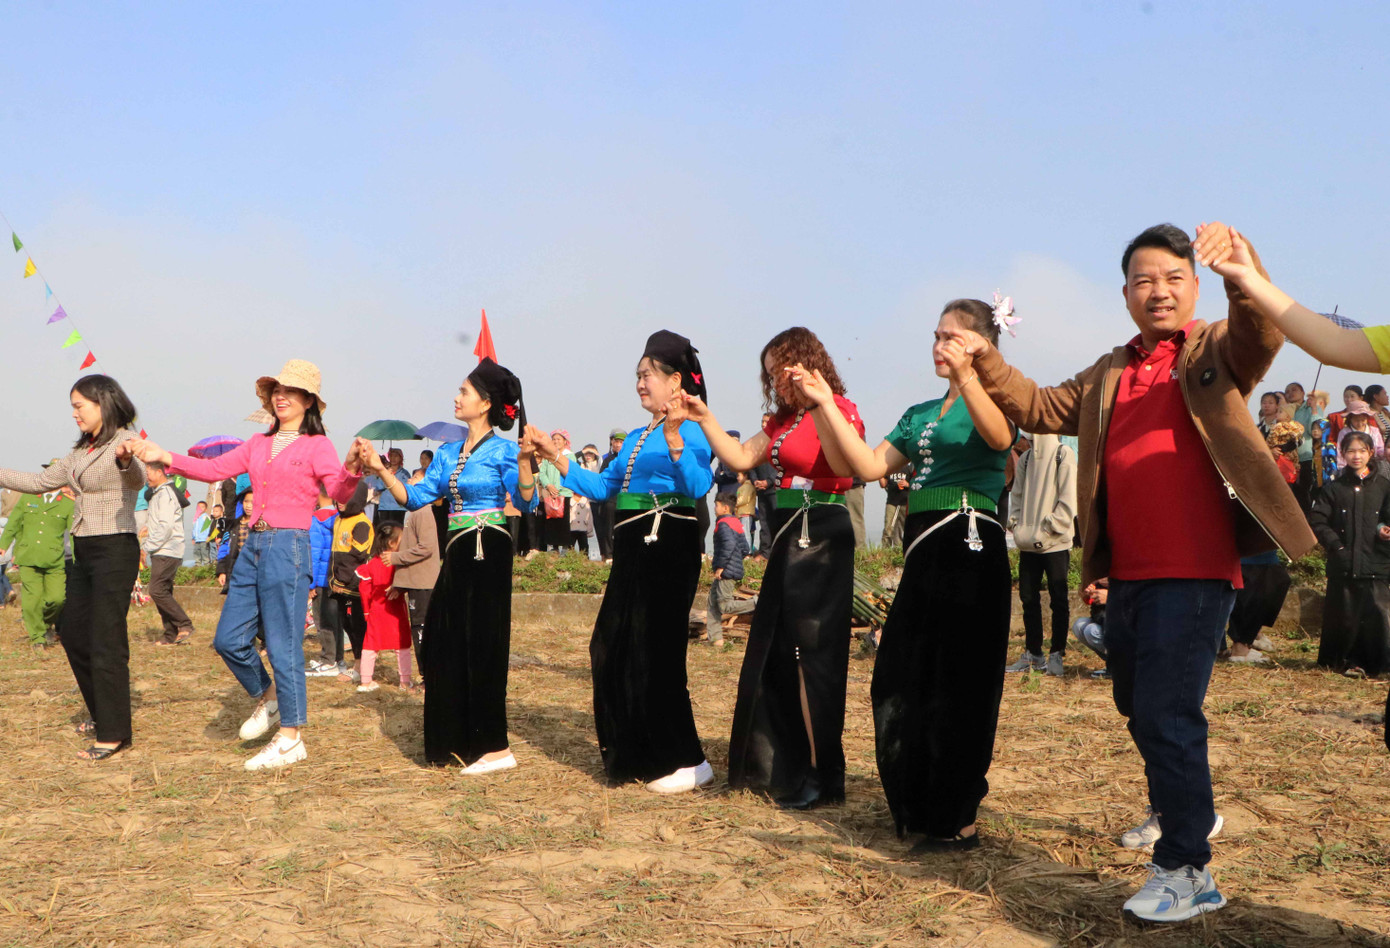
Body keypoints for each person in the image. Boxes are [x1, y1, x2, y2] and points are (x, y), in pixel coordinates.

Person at [950, 223, 1316, 922]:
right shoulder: (1109, 372)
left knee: (1167, 712)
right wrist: (984, 359)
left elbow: (1261, 339)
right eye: (1145, 280)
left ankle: (1188, 869)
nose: (1159, 291)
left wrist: (1244, 277)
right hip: (1130, 575)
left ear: (1195, 288)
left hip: (1197, 571)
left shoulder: (1212, 347)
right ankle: (1181, 810)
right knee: (1138, 707)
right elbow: (1036, 406)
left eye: (1174, 279)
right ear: (1124, 293)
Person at [806, 304, 1016, 843]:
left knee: (963, 680)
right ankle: (916, 800)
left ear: (979, 343)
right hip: (924, 550)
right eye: (936, 335)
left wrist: (970, 375)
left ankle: (957, 812)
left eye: (952, 336)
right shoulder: (919, 412)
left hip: (971, 547)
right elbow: (868, 466)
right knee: (902, 672)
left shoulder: (1000, 398)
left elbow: (998, 440)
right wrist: (826, 404)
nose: (939, 344)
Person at [129, 360, 364, 771]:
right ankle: (270, 697)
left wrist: (353, 468)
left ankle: (291, 738)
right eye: (276, 389)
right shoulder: (257, 443)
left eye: (291, 390)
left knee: (283, 644)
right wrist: (165, 455)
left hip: (289, 546)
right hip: (253, 546)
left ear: (308, 401)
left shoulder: (316, 446)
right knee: (228, 640)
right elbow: (213, 469)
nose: (281, 396)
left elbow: (340, 490)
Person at [682, 326, 865, 810]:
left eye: (782, 373)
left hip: (822, 530)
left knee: (815, 657)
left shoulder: (840, 410)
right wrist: (704, 417)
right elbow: (742, 456)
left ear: (806, 362)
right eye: (771, 377)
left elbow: (847, 464)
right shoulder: (784, 420)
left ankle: (824, 772)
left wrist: (818, 401)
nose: (778, 385)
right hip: (787, 532)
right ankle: (785, 764)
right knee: (781, 652)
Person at [526, 330, 715, 793]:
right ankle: (637, 751)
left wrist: (673, 438)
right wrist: (554, 456)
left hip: (668, 541)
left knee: (659, 651)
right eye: (637, 376)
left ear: (675, 382)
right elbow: (602, 488)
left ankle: (688, 760)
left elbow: (695, 486)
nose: (640, 384)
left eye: (647, 375)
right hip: (632, 549)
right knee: (610, 647)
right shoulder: (634, 436)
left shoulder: (693, 427)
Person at [370, 358, 536, 773]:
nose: (456, 397)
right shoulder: (446, 453)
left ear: (484, 403)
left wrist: (526, 462)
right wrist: (379, 469)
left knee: (483, 643)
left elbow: (528, 500)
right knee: (445, 641)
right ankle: (456, 739)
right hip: (459, 549)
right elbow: (414, 496)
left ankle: (496, 748)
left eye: (463, 391)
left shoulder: (503, 450)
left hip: (489, 546)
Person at [0, 375, 146, 760]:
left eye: (79, 405)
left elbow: (136, 479)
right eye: (73, 406)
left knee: (106, 640)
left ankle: (114, 734)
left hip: (116, 548)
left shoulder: (123, 443)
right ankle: (103, 714)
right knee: (73, 631)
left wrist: (128, 460)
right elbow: (38, 480)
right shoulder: (80, 452)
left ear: (103, 403)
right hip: (83, 552)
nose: (74, 413)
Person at [1308, 431, 1390, 679]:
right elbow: (1318, 521)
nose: (1357, 456)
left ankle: (1379, 665)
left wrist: (1383, 530)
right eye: (1351, 451)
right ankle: (1346, 663)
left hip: (1376, 561)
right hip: (1343, 562)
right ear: (1343, 454)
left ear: (1370, 453)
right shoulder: (1333, 488)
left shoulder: (1385, 486)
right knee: (1344, 616)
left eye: (1362, 451)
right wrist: (1337, 547)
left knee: (1378, 615)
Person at [1005, 433, 1078, 677]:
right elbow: (1016, 495)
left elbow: (1068, 500)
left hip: (1055, 542)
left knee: (1059, 598)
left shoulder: (1063, 453)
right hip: (1028, 542)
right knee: (1028, 598)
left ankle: (1056, 653)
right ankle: (1033, 653)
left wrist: (1049, 527)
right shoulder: (1025, 459)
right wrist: (1016, 523)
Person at [0, 479, 75, 647]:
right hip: (29, 557)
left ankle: (44, 624)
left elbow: (73, 534)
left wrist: (78, 558)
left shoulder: (67, 505)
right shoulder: (29, 498)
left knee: (57, 599)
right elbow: (13, 523)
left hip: (54, 559)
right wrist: (3, 544)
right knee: (31, 602)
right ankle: (38, 638)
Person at [389, 469, 441, 682]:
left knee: (422, 628)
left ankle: (428, 674)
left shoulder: (423, 511)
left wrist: (396, 557)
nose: (409, 480)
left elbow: (426, 547)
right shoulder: (414, 512)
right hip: (415, 581)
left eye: (415, 478)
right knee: (419, 626)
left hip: (424, 583)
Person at [353, 523, 413, 692]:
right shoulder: (398, 563)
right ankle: (405, 682)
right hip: (396, 610)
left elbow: (364, 589)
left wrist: (366, 610)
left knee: (370, 646)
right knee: (402, 646)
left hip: (376, 610)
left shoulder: (372, 564)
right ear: (392, 544)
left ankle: (365, 682)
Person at [143, 461, 195, 646]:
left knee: (156, 590)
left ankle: (184, 624)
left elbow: (166, 526)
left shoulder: (165, 494)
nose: (146, 476)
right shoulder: (158, 494)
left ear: (159, 472)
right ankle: (170, 633)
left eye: (148, 472)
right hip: (162, 548)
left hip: (168, 549)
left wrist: (147, 546)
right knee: (163, 591)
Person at [325, 483, 372, 681]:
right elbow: (335, 555)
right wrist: (332, 579)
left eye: (346, 498)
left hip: (353, 587)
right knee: (347, 626)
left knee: (357, 627)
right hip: (339, 585)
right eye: (339, 497)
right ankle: (358, 665)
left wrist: (343, 581)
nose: (340, 502)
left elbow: (357, 556)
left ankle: (361, 668)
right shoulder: (338, 520)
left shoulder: (361, 523)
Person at [707, 491, 757, 646]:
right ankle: (716, 639)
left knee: (724, 605)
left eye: (716, 506)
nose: (714, 508)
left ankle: (756, 602)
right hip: (732, 568)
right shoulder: (736, 523)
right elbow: (745, 549)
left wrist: (721, 566)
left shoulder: (723, 524)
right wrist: (735, 561)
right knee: (712, 602)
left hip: (725, 571)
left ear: (725, 508)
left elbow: (727, 546)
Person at [305, 491, 339, 676]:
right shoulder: (339, 518)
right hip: (336, 578)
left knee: (321, 621)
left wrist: (310, 584)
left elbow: (314, 555)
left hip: (320, 579)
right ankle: (337, 658)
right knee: (335, 621)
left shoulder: (315, 520)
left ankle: (328, 660)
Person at [536, 430, 576, 553]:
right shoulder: (548, 456)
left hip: (564, 492)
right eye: (554, 439)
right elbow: (542, 473)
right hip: (550, 493)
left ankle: (564, 547)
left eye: (559, 439)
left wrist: (558, 488)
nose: (556, 441)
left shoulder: (570, 456)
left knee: (564, 520)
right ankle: (553, 547)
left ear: (565, 441)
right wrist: (548, 485)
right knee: (551, 520)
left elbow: (571, 473)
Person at [1284, 382, 1320, 512]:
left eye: (1294, 390)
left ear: (1303, 393)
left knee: (1307, 493)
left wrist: (1314, 409)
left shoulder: (1310, 408)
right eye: (1287, 391)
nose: (1290, 393)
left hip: (1307, 458)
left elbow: (1315, 431)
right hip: (1289, 460)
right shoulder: (1286, 411)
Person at [594, 429, 625, 562]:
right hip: (611, 500)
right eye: (615, 442)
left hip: (625, 499)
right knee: (608, 527)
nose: (617, 445)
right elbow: (601, 478)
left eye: (620, 442)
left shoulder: (630, 459)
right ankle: (608, 554)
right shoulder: (607, 460)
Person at [1072, 579, 1110, 679]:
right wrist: (1088, 592)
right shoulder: (1097, 571)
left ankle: (1124, 666)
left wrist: (1111, 593)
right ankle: (1115, 664)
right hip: (1101, 616)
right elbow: (1088, 601)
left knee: (1092, 631)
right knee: (1080, 626)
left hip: (1123, 621)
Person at [367, 448, 409, 528]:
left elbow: (406, 488)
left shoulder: (404, 473)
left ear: (400, 458)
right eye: (391, 456)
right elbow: (378, 486)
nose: (393, 458)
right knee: (384, 531)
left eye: (396, 456)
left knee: (397, 530)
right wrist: (387, 476)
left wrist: (392, 478)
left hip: (398, 507)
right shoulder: (384, 472)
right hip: (385, 506)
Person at [879, 470, 909, 548]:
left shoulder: (910, 467)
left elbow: (915, 483)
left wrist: (907, 484)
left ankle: (899, 550)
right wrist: (879, 474)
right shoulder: (890, 467)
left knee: (902, 528)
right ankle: (885, 550)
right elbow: (883, 484)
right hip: (892, 501)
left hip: (905, 502)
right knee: (888, 528)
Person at [191, 501, 213, 566]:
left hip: (204, 539)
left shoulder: (206, 517)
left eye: (202, 507)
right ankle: (198, 566)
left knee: (205, 554)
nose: (200, 508)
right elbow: (194, 529)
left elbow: (208, 528)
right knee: (197, 553)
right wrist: (193, 538)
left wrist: (208, 537)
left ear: (206, 509)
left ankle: (207, 566)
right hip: (197, 539)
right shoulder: (196, 518)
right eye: (199, 507)